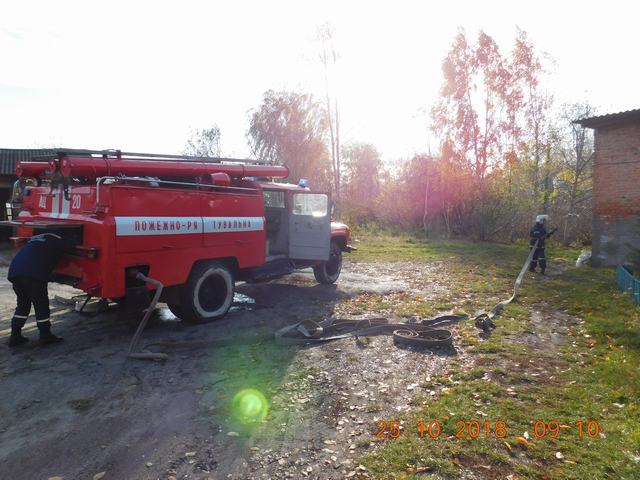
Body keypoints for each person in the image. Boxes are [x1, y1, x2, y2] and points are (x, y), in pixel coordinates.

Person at [7, 233, 71, 347]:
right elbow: (71, 249)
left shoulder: (35, 239)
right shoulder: (59, 241)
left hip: (14, 273)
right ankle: (45, 335)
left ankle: (15, 336)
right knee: (41, 305)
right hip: (33, 276)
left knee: (23, 304)